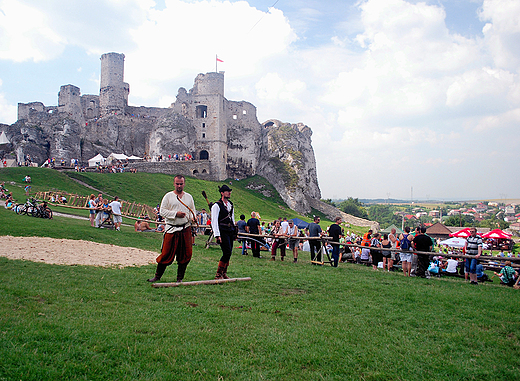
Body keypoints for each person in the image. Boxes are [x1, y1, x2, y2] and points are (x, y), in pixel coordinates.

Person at [147, 175, 196, 283]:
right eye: (177, 184)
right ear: (174, 184)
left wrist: (192, 218)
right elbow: (162, 211)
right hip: (171, 229)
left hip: (185, 229)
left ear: (184, 184)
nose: (179, 186)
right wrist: (175, 214)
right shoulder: (168, 196)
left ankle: (180, 278)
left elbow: (192, 212)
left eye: (181, 184)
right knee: (166, 253)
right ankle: (157, 276)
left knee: (185, 254)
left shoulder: (189, 197)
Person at [211, 184, 236, 279]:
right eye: (227, 191)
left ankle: (224, 273)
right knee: (226, 252)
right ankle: (218, 273)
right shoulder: (216, 206)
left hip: (229, 231)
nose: (229, 193)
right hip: (222, 231)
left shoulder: (230, 204)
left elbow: (232, 219)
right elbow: (214, 221)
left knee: (229, 252)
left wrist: (234, 232)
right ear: (222, 193)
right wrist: (217, 235)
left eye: (229, 191)